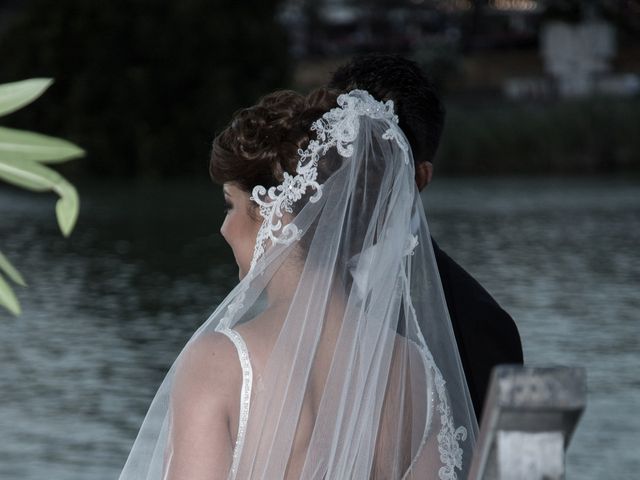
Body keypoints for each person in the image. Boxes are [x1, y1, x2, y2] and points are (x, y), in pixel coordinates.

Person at [119, 88, 477, 479]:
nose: (224, 229)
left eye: (231, 204)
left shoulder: (220, 365)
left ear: (280, 219)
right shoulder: (414, 372)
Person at [329, 54, 524, 419]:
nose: (341, 182)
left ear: (419, 179)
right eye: (333, 156)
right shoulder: (293, 277)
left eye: (369, 165)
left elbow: (524, 470)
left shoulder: (481, 324)